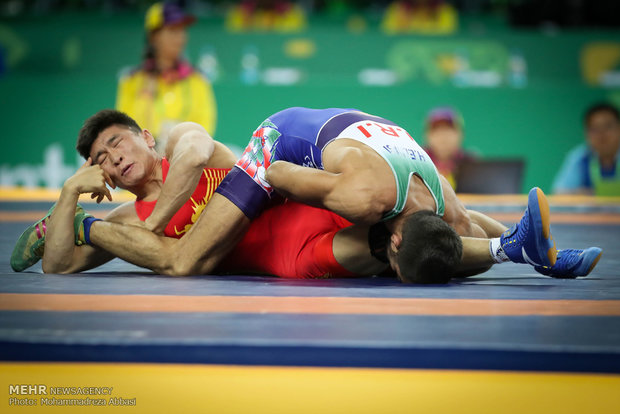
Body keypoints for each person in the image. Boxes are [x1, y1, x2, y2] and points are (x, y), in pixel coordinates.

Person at [11, 109, 601, 282]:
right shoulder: (123, 217)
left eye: (116, 143)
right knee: (397, 249)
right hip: (288, 256)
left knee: (419, 217)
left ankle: (523, 244)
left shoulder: (179, 140)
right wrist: (69, 202)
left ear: (143, 135)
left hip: (292, 204)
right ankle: (513, 250)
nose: (111, 158)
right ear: (103, 177)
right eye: (99, 161)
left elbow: (191, 155)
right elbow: (59, 266)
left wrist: (157, 225)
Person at [116, 1, 217, 153]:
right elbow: (126, 129)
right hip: (145, 161)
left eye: (182, 30)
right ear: (153, 37)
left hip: (186, 159)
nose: (180, 37)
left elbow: (205, 129)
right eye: (172, 30)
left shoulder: (198, 80)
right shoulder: (132, 81)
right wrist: (146, 95)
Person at [552, 102, 620, 196]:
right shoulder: (580, 157)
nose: (602, 134)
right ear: (586, 133)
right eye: (595, 129)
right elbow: (559, 193)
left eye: (608, 126)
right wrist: (581, 194)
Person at [422, 106, 476, 189]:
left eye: (448, 130)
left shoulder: (471, 164)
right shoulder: (419, 162)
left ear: (460, 134)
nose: (443, 136)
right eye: (437, 130)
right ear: (427, 135)